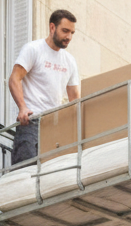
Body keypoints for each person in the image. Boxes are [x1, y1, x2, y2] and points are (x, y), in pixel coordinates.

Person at [8, 9, 81, 165]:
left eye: (72, 33)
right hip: (31, 123)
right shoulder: (33, 49)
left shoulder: (70, 61)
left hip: (55, 127)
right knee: (26, 172)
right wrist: (22, 107)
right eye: (65, 31)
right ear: (52, 27)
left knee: (52, 174)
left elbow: (75, 98)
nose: (69, 37)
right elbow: (15, 78)